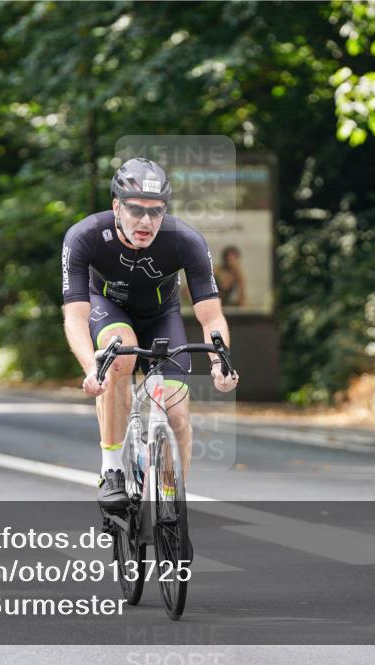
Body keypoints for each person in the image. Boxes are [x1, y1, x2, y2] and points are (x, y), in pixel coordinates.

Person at [61, 157, 239, 511]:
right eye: (136, 210)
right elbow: (75, 317)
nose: (146, 221)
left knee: (176, 413)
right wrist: (89, 367)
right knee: (121, 356)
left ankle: (172, 504)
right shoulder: (85, 236)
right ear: (116, 206)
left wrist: (220, 362)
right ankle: (112, 469)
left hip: (162, 316)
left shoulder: (185, 240)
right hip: (108, 310)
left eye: (156, 212)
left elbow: (211, 314)